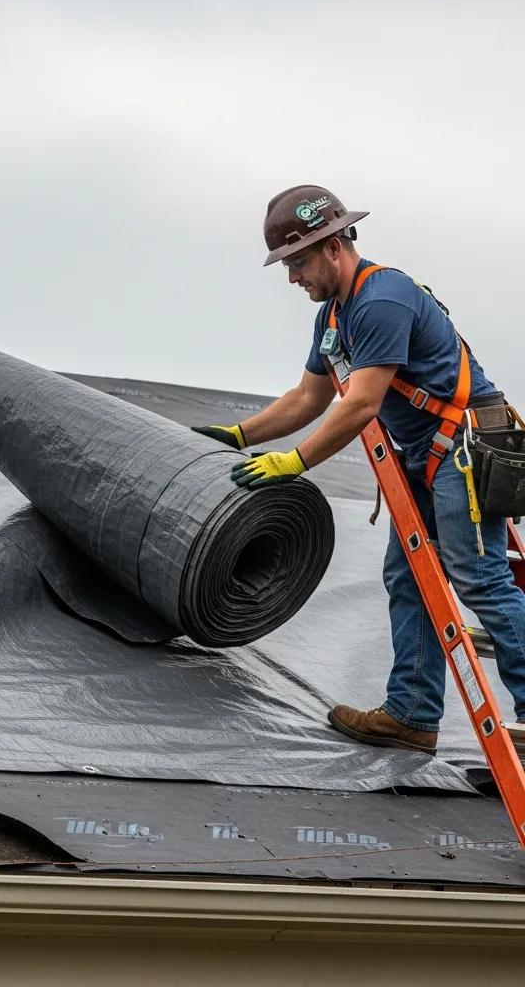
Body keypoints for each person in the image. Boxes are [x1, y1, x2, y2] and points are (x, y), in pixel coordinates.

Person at [193, 185, 525, 755]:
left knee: (481, 582)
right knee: (409, 578)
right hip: (426, 457)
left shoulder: (382, 299)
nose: (292, 277)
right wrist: (240, 435)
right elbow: (308, 398)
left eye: (297, 261)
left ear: (333, 247)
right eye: (287, 264)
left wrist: (296, 461)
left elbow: (361, 403)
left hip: (463, 448)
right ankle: (413, 714)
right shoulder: (335, 316)